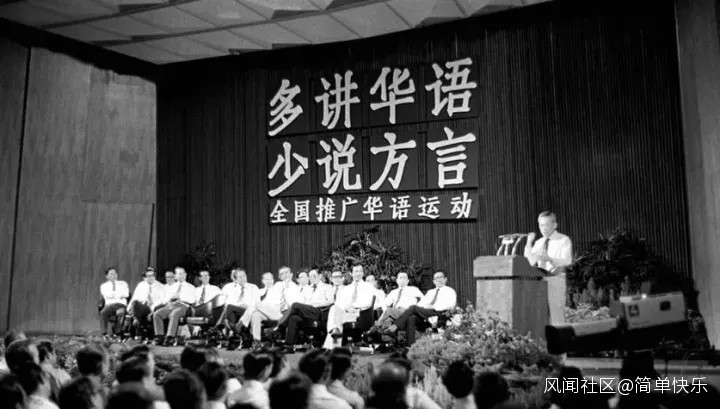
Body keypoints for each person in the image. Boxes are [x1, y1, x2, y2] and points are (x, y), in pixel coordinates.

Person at [524, 211, 572, 325]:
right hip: (540, 282)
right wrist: (529, 242)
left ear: (555, 225)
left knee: (557, 316)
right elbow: (529, 260)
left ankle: (559, 335)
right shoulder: (539, 242)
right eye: (541, 225)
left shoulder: (563, 240)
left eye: (546, 224)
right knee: (541, 316)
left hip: (556, 279)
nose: (543, 228)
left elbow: (567, 260)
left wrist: (550, 259)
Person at [384, 271, 457, 346]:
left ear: (445, 279)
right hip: (426, 314)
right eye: (436, 278)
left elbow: (450, 305)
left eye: (441, 277)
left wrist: (434, 306)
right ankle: (410, 345)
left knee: (413, 308)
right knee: (411, 317)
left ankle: (394, 327)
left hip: (440, 314)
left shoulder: (450, 291)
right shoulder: (430, 292)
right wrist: (422, 307)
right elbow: (421, 304)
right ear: (434, 281)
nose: (439, 279)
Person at [238, 266, 300, 342]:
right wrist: (259, 308)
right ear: (280, 277)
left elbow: (293, 305)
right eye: (282, 274)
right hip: (270, 310)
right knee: (256, 314)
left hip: (281, 313)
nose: (285, 275)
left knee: (256, 305)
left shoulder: (295, 287)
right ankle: (257, 341)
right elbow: (268, 301)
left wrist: (287, 287)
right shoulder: (277, 285)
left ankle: (240, 324)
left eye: (286, 272)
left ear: (291, 274)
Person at [277, 269, 335, 347]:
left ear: (320, 276)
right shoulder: (308, 288)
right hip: (307, 311)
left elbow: (331, 301)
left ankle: (279, 326)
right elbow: (303, 301)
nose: (312, 278)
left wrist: (317, 304)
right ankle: (288, 345)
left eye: (314, 276)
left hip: (319, 311)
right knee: (294, 318)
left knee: (295, 305)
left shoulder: (327, 286)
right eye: (310, 276)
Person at [324, 265, 375, 349]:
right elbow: (339, 303)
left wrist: (353, 306)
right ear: (351, 273)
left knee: (336, 319)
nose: (358, 273)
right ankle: (335, 331)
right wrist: (346, 308)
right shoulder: (347, 288)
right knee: (334, 309)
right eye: (356, 271)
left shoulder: (368, 286)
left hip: (361, 314)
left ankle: (331, 347)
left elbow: (368, 302)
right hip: (346, 314)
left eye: (360, 271)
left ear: (363, 273)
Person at [154, 267, 196, 346]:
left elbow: (193, 300)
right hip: (171, 305)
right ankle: (159, 337)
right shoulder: (172, 287)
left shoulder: (191, 287)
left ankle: (170, 337)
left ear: (185, 275)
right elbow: (164, 300)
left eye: (181, 273)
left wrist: (181, 298)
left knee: (174, 313)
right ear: (175, 276)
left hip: (183, 306)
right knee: (157, 314)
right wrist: (170, 299)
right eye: (178, 274)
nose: (180, 275)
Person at [217, 269, 260, 335]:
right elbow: (229, 302)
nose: (243, 278)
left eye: (244, 276)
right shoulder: (233, 289)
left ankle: (219, 326)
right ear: (236, 280)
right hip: (237, 310)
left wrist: (248, 306)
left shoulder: (253, 287)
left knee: (230, 308)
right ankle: (235, 330)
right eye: (240, 277)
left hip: (249, 310)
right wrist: (239, 305)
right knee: (230, 309)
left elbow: (257, 303)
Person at [128, 267, 166, 338]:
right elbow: (135, 297)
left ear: (155, 276)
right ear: (145, 277)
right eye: (148, 276)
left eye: (152, 275)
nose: (151, 278)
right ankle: (136, 319)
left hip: (154, 307)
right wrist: (128, 309)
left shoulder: (161, 286)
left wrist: (152, 306)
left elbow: (162, 300)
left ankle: (137, 327)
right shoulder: (141, 285)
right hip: (143, 306)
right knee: (135, 302)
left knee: (140, 313)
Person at [99, 267, 130, 338]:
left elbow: (126, 294)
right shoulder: (104, 286)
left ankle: (118, 333)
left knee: (121, 312)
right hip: (109, 305)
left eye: (115, 273)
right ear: (107, 276)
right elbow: (107, 295)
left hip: (121, 304)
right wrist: (119, 294)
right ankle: (104, 333)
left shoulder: (123, 284)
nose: (114, 275)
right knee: (103, 312)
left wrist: (114, 294)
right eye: (111, 274)